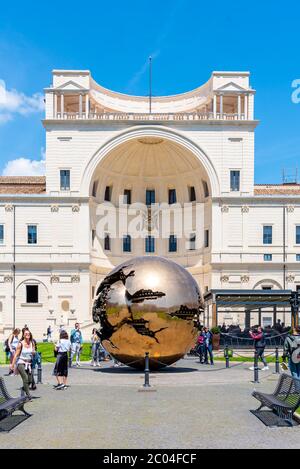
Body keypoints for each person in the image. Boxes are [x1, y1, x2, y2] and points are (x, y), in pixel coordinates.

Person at [10, 329, 35, 399]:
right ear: (23, 335)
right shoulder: (20, 344)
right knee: (25, 379)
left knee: (30, 381)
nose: (28, 335)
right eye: (26, 334)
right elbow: (16, 355)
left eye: (29, 334)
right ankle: (28, 395)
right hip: (21, 362)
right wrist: (12, 365)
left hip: (29, 363)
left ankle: (23, 389)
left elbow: (33, 351)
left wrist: (34, 352)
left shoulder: (32, 343)